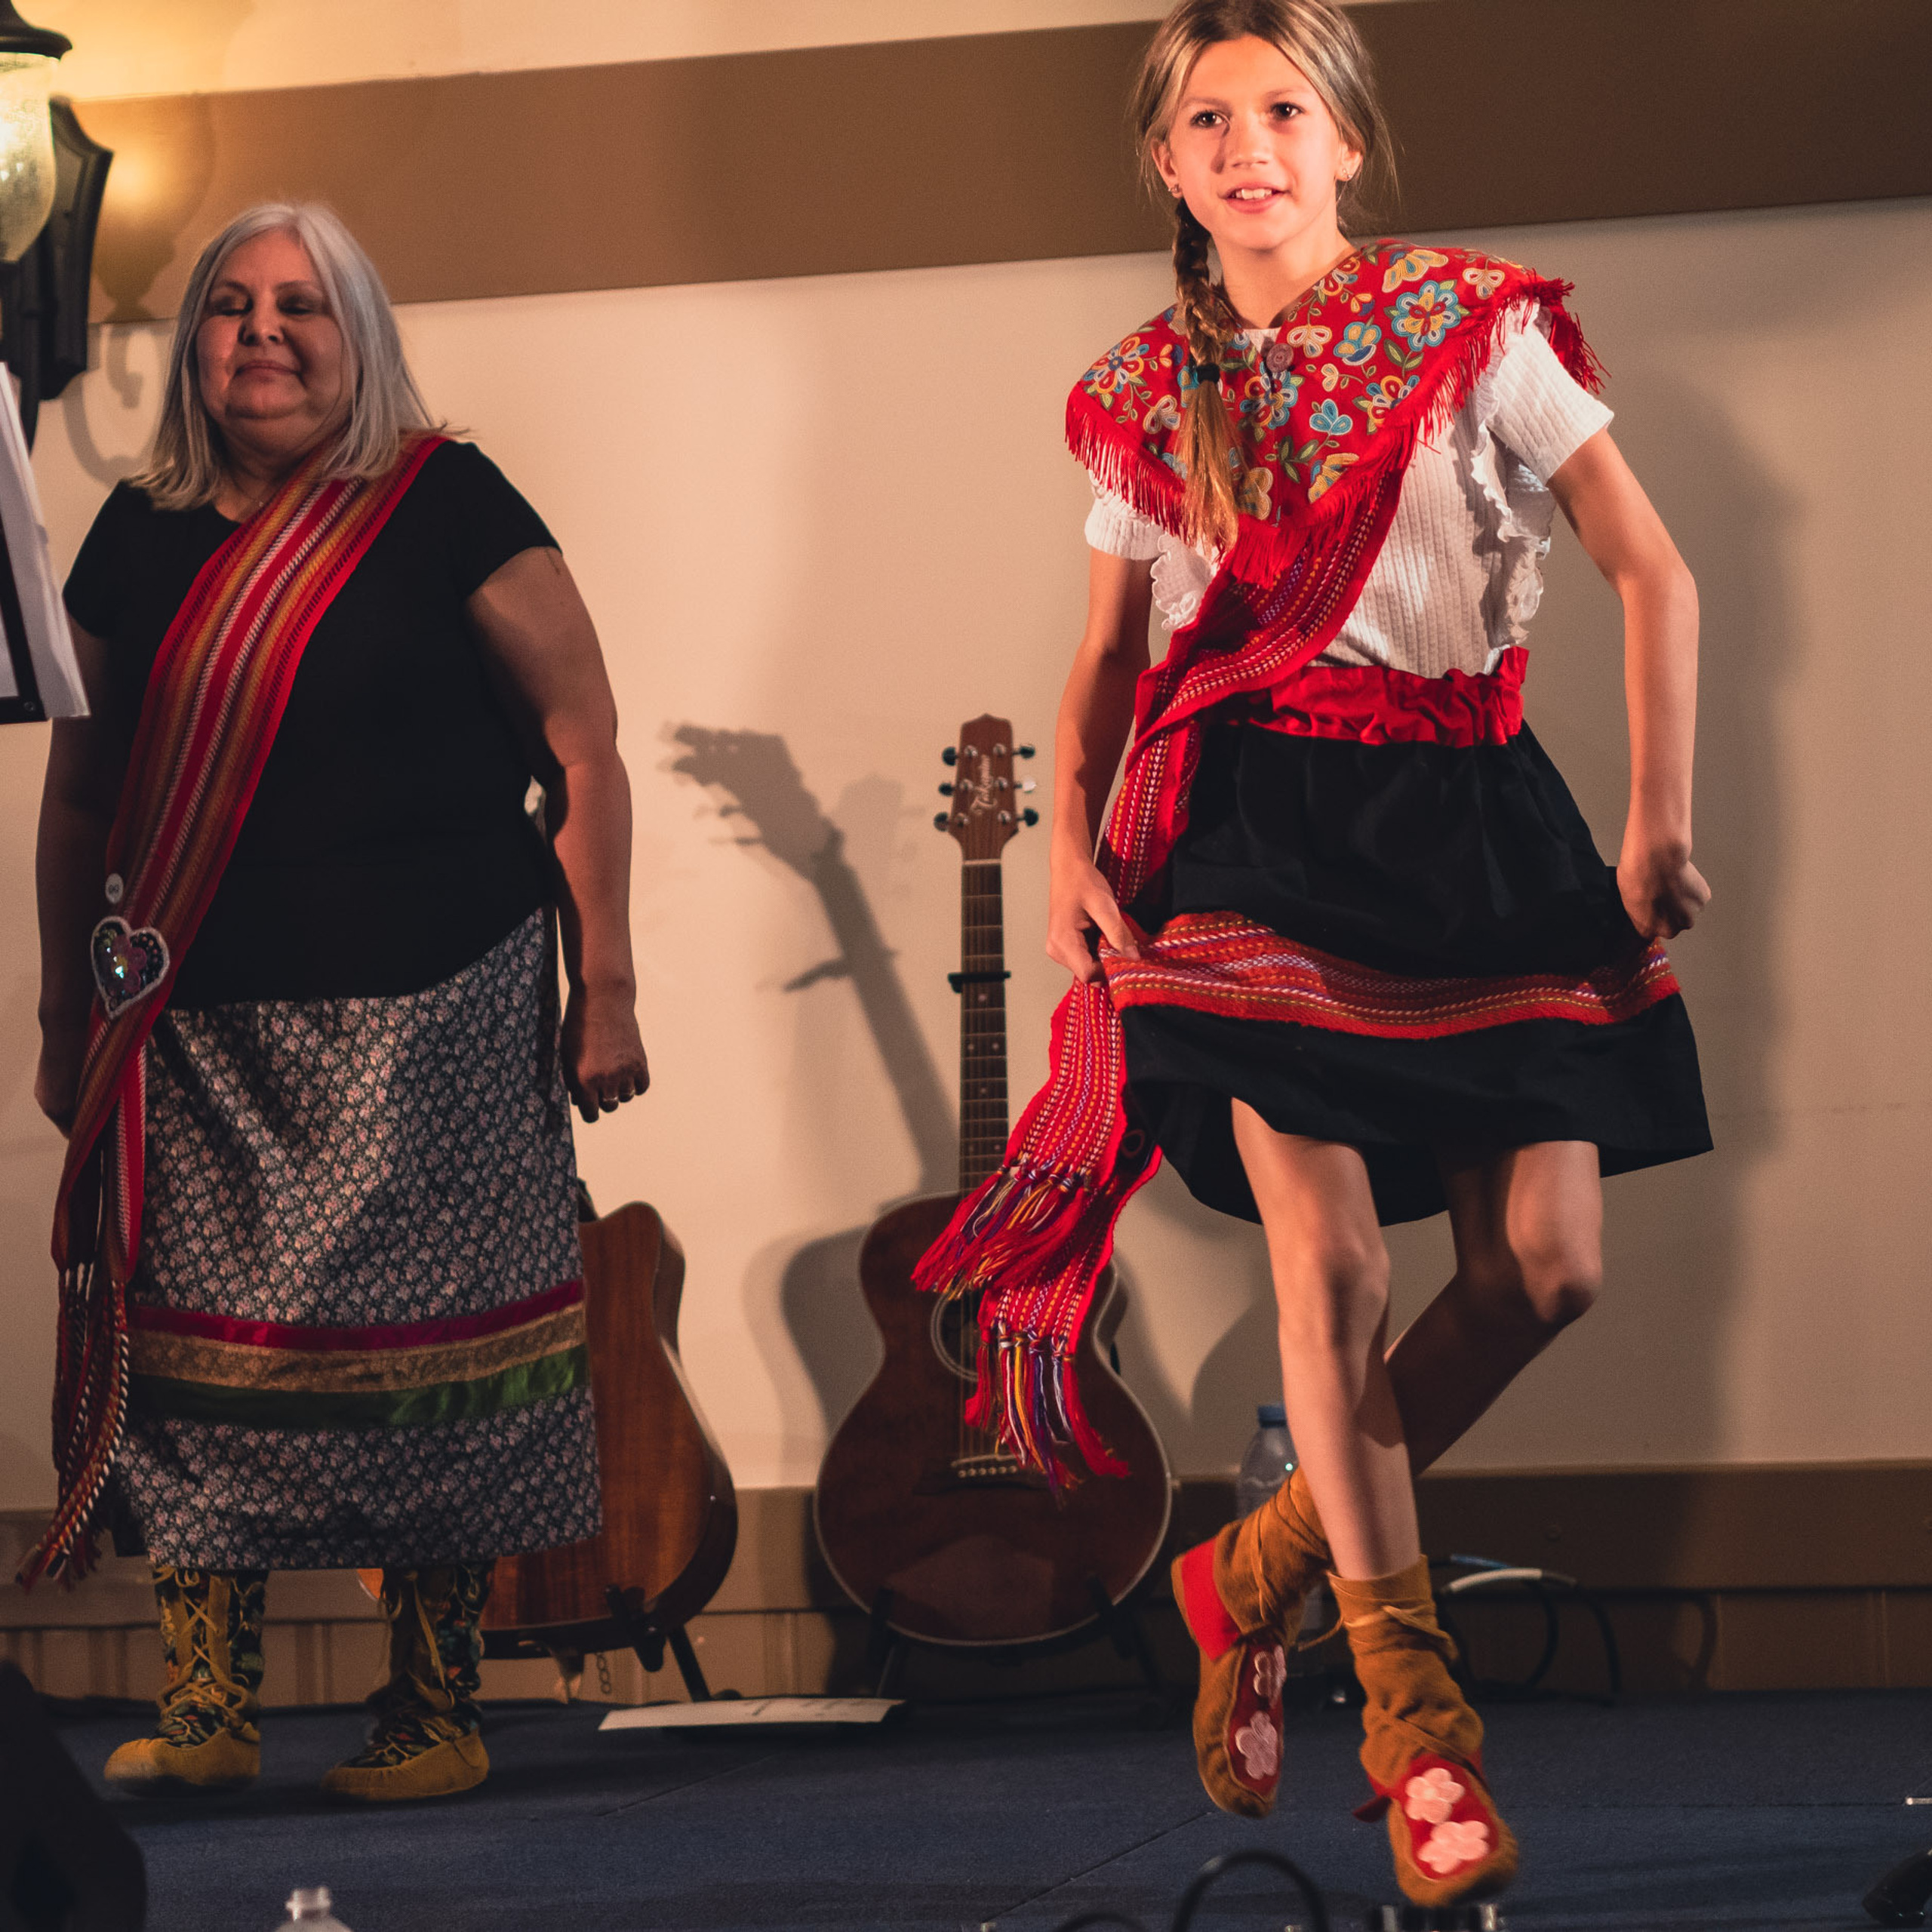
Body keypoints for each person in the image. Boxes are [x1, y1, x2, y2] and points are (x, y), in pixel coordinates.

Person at [915, 0, 1709, 1908]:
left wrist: (1655, 815)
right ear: (1166, 166)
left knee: (1545, 1267)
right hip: (1240, 839)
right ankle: (1418, 1735)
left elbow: (1648, 570)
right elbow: (1108, 658)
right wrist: (1068, 866)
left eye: (1282, 107)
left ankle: (1251, 1567)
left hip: (1468, 827)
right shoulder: (1135, 389)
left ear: (1346, 140)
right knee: (1329, 1261)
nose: (1247, 141)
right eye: (1206, 119)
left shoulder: (1473, 331)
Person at [31, 202, 649, 1803]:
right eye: (229, 307)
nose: (262, 332)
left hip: (438, 1005)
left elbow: (581, 741)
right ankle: (209, 1701)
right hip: (201, 1015)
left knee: (434, 1365)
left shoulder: (447, 502)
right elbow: (84, 798)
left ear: (359, 332)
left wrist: (611, 987)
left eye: (301, 306)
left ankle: (433, 1700)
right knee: (192, 1359)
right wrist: (57, 1013)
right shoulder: (141, 527)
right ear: (193, 349)